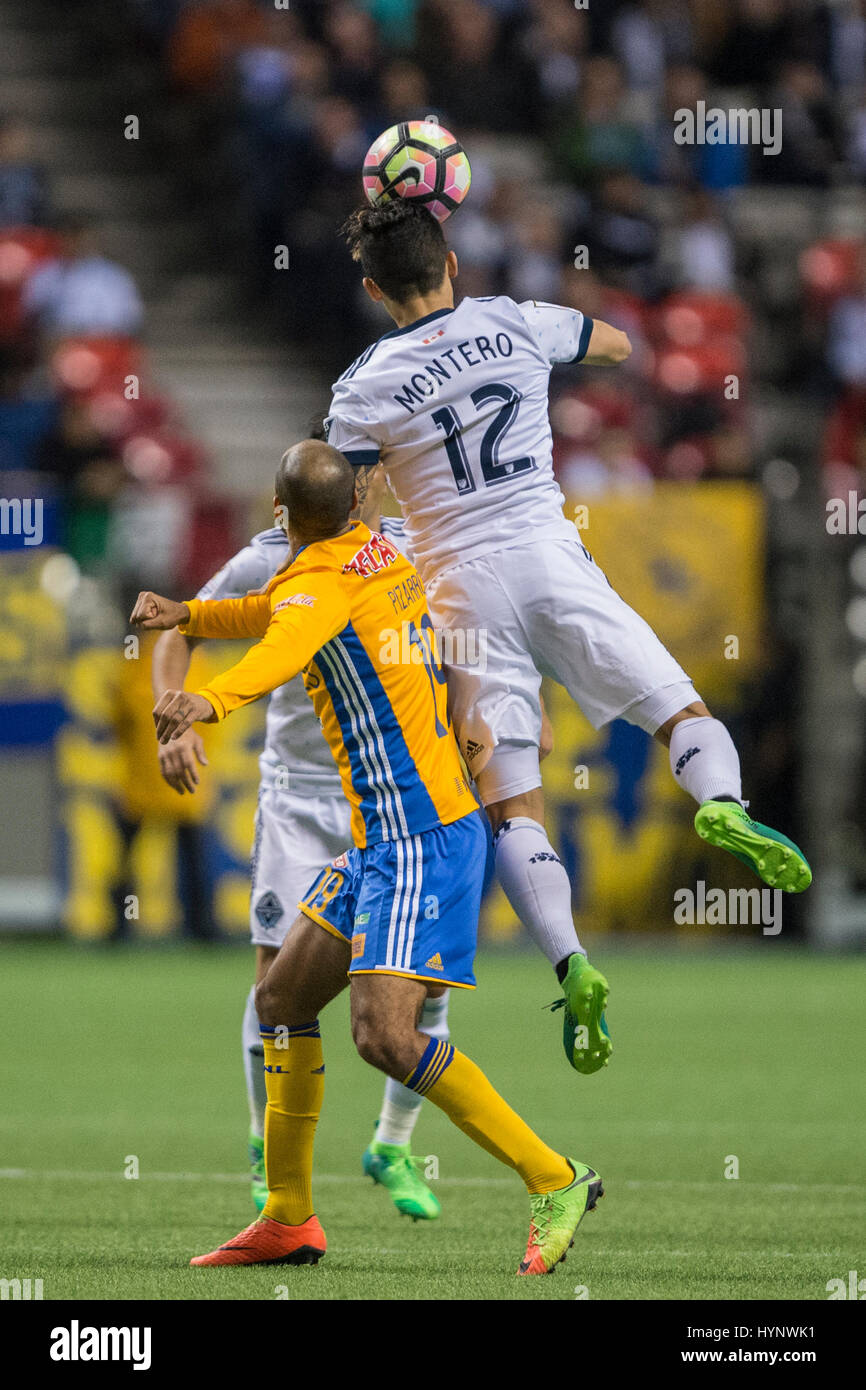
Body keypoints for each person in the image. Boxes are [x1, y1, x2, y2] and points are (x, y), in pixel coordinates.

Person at [323, 200, 812, 1072]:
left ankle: (572, 963)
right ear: (453, 263)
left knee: (514, 803)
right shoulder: (513, 321)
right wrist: (544, 345)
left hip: (457, 592)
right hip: (549, 551)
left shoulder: (363, 386)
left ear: (371, 289)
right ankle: (724, 807)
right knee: (680, 709)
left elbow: (345, 510)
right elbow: (620, 345)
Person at [131, 439, 603, 1276]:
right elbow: (275, 613)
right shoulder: (370, 548)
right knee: (279, 1000)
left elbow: (282, 645)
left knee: (384, 1037)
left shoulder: (315, 578)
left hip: (420, 835)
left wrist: (207, 698)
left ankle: (554, 1176)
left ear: (281, 515)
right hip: (384, 837)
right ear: (350, 506)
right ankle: (287, 1218)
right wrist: (188, 615)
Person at [151, 467, 446, 1220]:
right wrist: (175, 717)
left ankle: (392, 1143)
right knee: (276, 981)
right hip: (303, 799)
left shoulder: (412, 550)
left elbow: (475, 637)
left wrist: (511, 716)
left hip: (395, 794)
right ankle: (267, 1152)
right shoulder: (275, 556)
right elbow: (181, 624)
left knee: (429, 979)